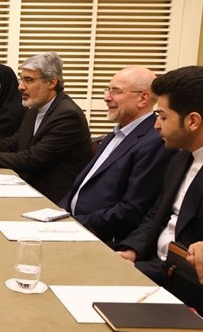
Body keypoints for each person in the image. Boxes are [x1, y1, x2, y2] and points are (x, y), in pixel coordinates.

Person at [113, 66, 203, 317]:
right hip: (152, 267)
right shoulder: (180, 157)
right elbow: (157, 213)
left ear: (192, 121)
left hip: (186, 285)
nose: (156, 125)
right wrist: (132, 250)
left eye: (163, 117)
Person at [0, 52, 92, 203]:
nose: (20, 87)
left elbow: (32, 159)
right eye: (21, 80)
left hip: (52, 200)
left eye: (29, 80)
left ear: (51, 82)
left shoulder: (67, 115)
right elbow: (13, 142)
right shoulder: (35, 108)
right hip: (28, 188)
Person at [59, 66, 174, 245]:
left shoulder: (154, 141)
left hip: (102, 239)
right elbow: (82, 185)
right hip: (71, 226)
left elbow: (131, 210)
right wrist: (59, 212)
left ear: (143, 98)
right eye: (107, 89)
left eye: (116, 91)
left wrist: (74, 223)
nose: (107, 97)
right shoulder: (116, 134)